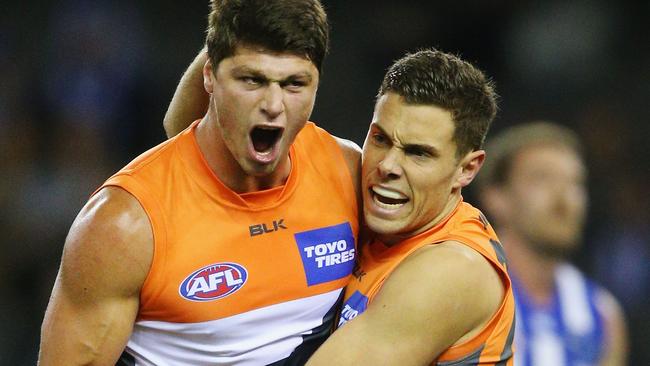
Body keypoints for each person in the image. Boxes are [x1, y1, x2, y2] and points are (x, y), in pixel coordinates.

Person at [38, 0, 362, 365]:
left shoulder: (347, 173)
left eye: (294, 84)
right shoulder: (124, 225)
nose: (274, 104)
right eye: (251, 80)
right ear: (209, 75)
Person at [304, 49, 515, 365]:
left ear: (466, 169)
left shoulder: (453, 269)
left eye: (418, 153)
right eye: (380, 139)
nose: (388, 165)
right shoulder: (370, 206)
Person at [474, 121, 628, 365]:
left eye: (575, 182)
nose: (563, 197)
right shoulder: (467, 291)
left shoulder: (601, 313)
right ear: (497, 197)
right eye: (542, 178)